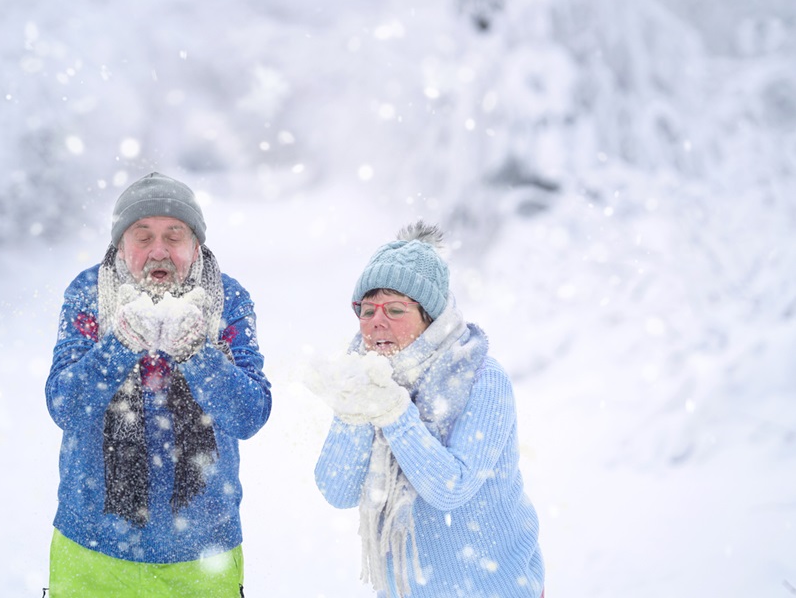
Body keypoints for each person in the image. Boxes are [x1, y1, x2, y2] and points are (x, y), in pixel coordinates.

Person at [45, 172, 272, 597]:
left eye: (174, 234)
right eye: (142, 236)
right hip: (91, 550)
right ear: (120, 244)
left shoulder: (229, 302)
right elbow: (65, 406)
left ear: (195, 244)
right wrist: (119, 345)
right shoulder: (88, 295)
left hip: (203, 557)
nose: (159, 251)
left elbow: (250, 414)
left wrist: (198, 355)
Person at [310, 221, 544, 597]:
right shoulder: (367, 378)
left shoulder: (481, 377)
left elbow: (452, 488)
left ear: (430, 317)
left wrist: (395, 414)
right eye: (367, 310)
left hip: (493, 587)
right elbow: (337, 489)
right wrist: (355, 412)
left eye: (396, 309)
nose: (376, 321)